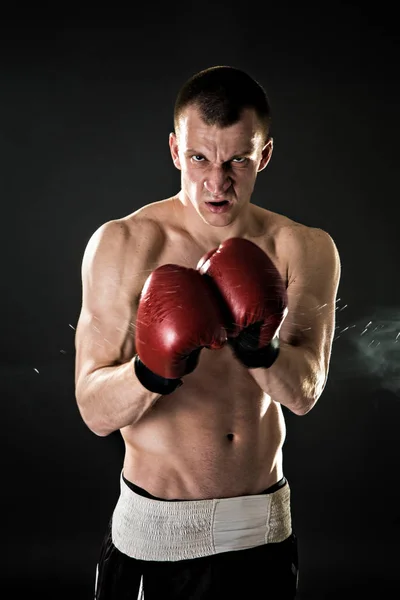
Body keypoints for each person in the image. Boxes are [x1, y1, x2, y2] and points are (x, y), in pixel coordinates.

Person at [74, 65, 341, 599]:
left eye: (237, 160)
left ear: (263, 155)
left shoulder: (303, 247)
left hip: (261, 532)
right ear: (175, 150)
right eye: (199, 158)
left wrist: (259, 351)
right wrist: (150, 371)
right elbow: (93, 410)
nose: (217, 182)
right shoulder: (124, 245)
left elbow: (306, 391)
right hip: (158, 539)